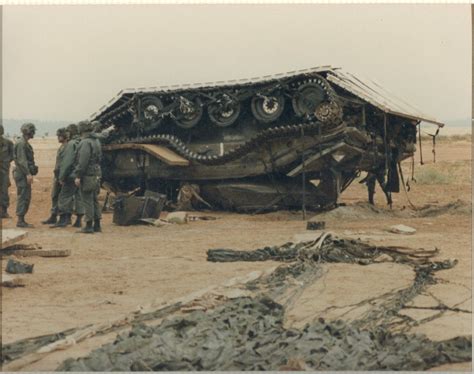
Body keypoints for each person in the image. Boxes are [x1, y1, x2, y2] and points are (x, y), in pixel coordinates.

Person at [72, 121, 102, 234]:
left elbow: (83, 161)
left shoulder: (85, 142)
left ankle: (89, 225)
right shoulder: (96, 141)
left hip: (87, 174)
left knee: (87, 199)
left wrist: (78, 175)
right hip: (96, 173)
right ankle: (97, 224)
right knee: (94, 199)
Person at [53, 123, 84, 228]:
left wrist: (61, 177)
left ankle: (64, 220)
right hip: (79, 174)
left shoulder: (71, 144)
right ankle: (79, 220)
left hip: (71, 175)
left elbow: (67, 163)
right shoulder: (81, 142)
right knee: (79, 196)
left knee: (64, 196)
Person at [14, 123, 38, 228]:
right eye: (33, 131)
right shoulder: (21, 143)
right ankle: (20, 220)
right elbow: (22, 160)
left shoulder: (23, 143)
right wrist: (28, 173)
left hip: (22, 172)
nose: (34, 133)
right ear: (29, 131)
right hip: (22, 173)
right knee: (23, 196)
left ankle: (21, 219)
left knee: (25, 195)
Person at [42, 128, 68, 224]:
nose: (58, 138)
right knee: (54, 195)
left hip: (61, 175)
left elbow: (65, 163)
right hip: (58, 175)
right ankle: (53, 216)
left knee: (61, 197)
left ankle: (63, 218)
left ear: (64, 136)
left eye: (59, 136)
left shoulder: (66, 147)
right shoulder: (62, 147)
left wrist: (62, 176)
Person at [0, 124, 14, 218]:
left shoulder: (8, 143)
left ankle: (4, 211)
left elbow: (12, 156)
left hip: (4, 171)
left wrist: (5, 162)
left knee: (4, 191)